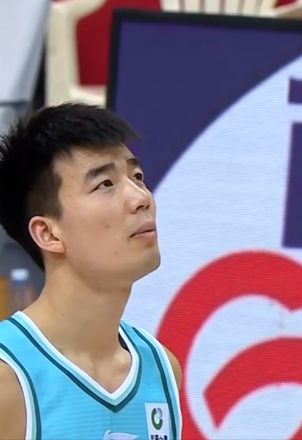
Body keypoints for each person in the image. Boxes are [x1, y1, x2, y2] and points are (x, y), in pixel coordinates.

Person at [0, 103, 182, 439]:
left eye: (137, 177)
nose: (141, 197)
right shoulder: (8, 378)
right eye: (105, 184)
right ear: (49, 233)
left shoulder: (162, 370)